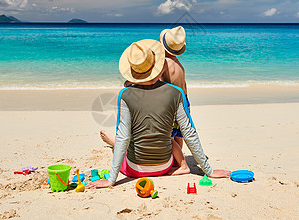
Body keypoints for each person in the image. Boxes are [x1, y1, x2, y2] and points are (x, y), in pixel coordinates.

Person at [86, 39, 230, 189]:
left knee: (119, 145)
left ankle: (112, 143)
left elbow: (123, 136)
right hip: (164, 167)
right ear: (159, 67)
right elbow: (189, 133)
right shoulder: (177, 93)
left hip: (134, 170)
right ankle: (114, 144)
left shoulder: (125, 95)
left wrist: (111, 179)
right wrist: (209, 170)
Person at [160, 26, 188, 150]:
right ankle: (179, 158)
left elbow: (155, 80)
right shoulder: (177, 62)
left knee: (169, 135)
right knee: (179, 134)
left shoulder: (164, 62)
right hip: (185, 101)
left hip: (172, 102)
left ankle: (173, 159)